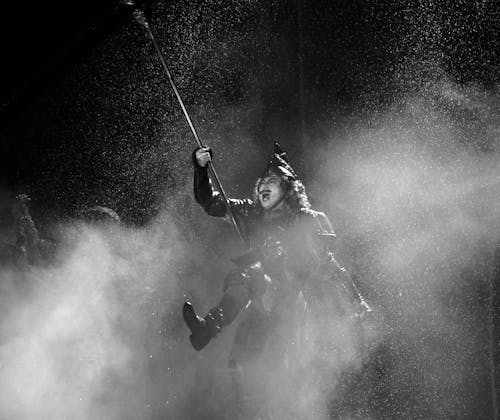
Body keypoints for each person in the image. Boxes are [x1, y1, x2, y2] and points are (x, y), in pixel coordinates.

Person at [183, 143, 371, 365]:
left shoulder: (307, 220)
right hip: (263, 291)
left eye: (272, 181)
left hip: (294, 301)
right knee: (249, 272)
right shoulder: (250, 212)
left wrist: (355, 304)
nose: (264, 185)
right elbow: (211, 203)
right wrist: (201, 167)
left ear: (288, 188)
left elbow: (330, 267)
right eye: (262, 182)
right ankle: (209, 327)